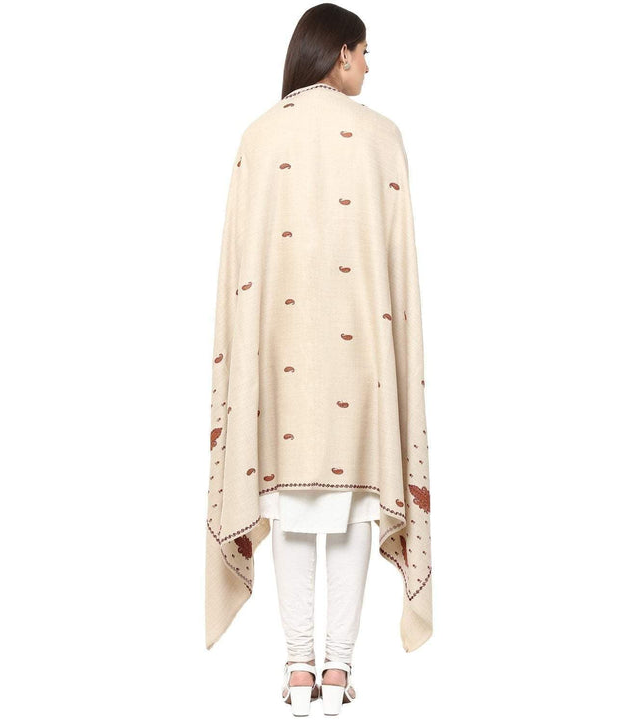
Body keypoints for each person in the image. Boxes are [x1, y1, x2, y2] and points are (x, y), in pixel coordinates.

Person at [206, 4, 433, 716]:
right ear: (340, 54)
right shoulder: (382, 137)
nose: (369, 66)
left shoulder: (259, 135)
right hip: (361, 357)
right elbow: (396, 270)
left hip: (278, 357)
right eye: (364, 52)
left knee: (288, 505)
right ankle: (337, 671)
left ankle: (298, 669)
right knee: (357, 505)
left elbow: (240, 270)